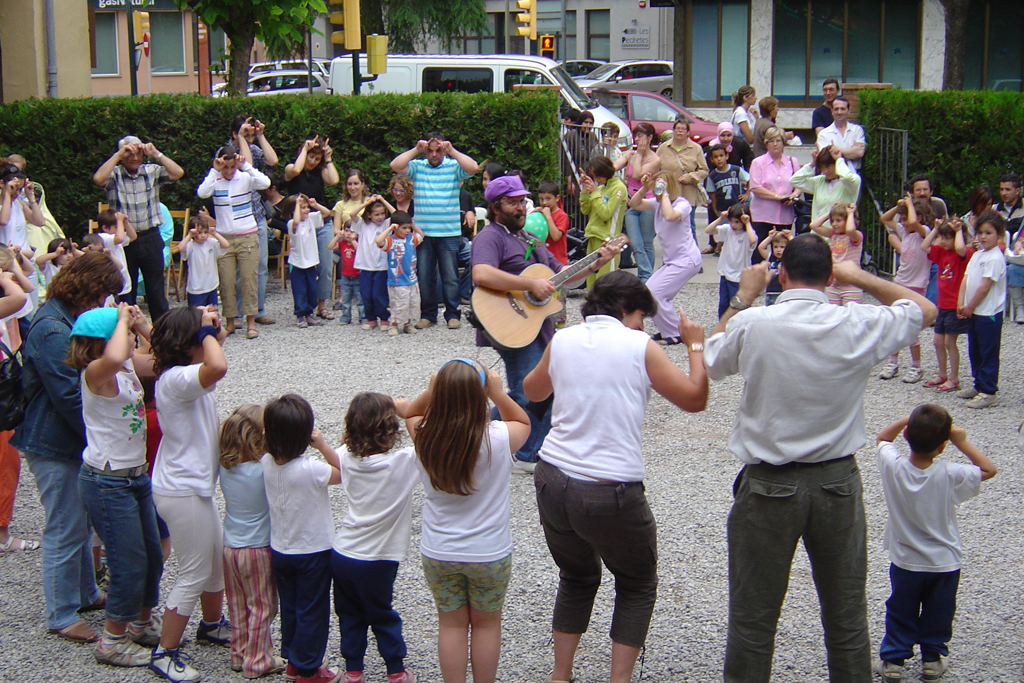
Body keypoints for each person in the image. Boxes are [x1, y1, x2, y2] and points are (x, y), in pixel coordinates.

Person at [703, 234, 937, 683]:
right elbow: (924, 310)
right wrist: (858, 275)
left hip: (768, 484)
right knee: (846, 616)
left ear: (782, 275)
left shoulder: (756, 322)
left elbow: (712, 361)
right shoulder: (856, 322)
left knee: (753, 618)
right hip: (837, 482)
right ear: (830, 277)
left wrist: (743, 296)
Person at [522, 270, 708, 683]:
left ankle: (560, 674)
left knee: (576, 576)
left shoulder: (564, 339)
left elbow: (532, 391)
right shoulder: (638, 345)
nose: (643, 324)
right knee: (637, 581)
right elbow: (695, 399)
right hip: (609, 486)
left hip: (552, 476)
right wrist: (695, 344)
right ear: (627, 309)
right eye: (642, 315)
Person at [470, 175, 620, 470]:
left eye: (521, 201)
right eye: (512, 202)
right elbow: (481, 274)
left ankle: (472, 429)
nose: (521, 208)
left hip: (537, 327)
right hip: (511, 325)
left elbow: (561, 274)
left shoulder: (528, 238)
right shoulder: (490, 236)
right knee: (529, 392)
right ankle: (524, 452)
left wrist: (596, 262)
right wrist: (529, 283)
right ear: (495, 206)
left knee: (543, 388)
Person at [11, 252, 124, 643]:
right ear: (87, 286)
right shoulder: (52, 330)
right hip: (52, 443)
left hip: (64, 440)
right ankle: (60, 615)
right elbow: (71, 400)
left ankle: (86, 594)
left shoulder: (60, 318)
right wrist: (110, 434)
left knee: (79, 524)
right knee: (64, 528)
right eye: (102, 295)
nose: (103, 304)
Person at [400, 359, 530, 683]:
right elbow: (523, 421)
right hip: (489, 553)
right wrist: (498, 392)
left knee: (451, 624)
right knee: (486, 625)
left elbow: (411, 413)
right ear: (481, 396)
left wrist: (431, 388)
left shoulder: (424, 435)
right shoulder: (498, 438)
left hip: (439, 550)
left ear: (437, 395)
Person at [69, 304, 162, 668]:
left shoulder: (122, 366)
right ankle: (112, 641)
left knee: (151, 554)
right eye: (120, 333)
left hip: (135, 475)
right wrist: (122, 321)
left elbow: (165, 357)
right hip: (106, 480)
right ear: (104, 341)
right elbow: (118, 352)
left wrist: (141, 325)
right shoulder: (95, 372)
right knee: (128, 562)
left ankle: (139, 624)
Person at [873, 406, 996, 683]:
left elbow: (882, 439)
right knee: (939, 610)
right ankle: (932, 658)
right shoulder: (951, 473)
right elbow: (989, 469)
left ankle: (893, 661)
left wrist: (908, 417)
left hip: (905, 559)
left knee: (901, 608)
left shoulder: (893, 466)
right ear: (942, 447)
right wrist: (960, 440)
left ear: (906, 435)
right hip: (944, 561)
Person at [149, 305, 231, 683]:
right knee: (194, 570)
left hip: (189, 486)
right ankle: (165, 653)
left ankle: (212, 625)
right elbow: (217, 365)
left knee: (213, 558)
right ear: (190, 343)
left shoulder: (178, 375)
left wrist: (208, 328)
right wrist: (203, 330)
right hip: (182, 489)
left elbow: (215, 354)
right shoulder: (178, 379)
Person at [332, 393, 420, 683]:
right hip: (379, 558)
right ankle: (395, 669)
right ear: (390, 430)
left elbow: (341, 449)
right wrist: (408, 412)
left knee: (350, 614)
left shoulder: (345, 456)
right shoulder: (402, 463)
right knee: (382, 613)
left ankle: (353, 669)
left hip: (343, 553)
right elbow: (427, 439)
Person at [261, 394, 341, 683]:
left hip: (281, 548)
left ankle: (294, 659)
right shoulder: (311, 468)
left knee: (291, 607)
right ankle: (308, 669)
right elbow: (341, 473)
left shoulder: (266, 463)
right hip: (313, 551)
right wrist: (323, 446)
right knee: (313, 611)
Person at [218, 405, 285, 679]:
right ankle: (258, 661)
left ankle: (239, 652)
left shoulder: (226, 468)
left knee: (237, 603)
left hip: (230, 547)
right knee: (262, 606)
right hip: (258, 548)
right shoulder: (263, 470)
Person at [390, 132, 479, 330]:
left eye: (438, 150)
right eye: (430, 151)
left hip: (448, 232)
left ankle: (452, 314)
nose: (434, 154)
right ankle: (428, 315)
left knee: (450, 277)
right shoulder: (417, 167)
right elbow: (395, 166)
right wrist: (416, 150)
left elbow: (473, 168)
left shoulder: (453, 166)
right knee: (425, 276)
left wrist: (452, 151)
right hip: (424, 233)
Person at [93, 135, 183, 323]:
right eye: (129, 154)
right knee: (127, 290)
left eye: (138, 153)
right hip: (124, 240)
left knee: (156, 292)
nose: (134, 158)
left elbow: (178, 173)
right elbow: (98, 179)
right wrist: (118, 155)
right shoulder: (115, 174)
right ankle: (128, 337)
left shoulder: (151, 171)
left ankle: (161, 334)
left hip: (150, 237)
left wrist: (156, 153)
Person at [197, 143, 271, 339]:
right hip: (224, 238)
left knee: (249, 280)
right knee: (227, 282)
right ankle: (230, 322)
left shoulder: (245, 177)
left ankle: (251, 322)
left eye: (232, 167)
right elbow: (202, 193)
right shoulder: (216, 180)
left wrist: (245, 165)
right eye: (225, 167)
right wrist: (214, 170)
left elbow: (265, 183)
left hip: (247, 235)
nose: (229, 171)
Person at [628, 172, 701, 344]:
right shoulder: (658, 203)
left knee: (656, 294)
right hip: (673, 261)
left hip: (687, 260)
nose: (657, 190)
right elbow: (634, 203)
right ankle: (667, 329)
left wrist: (665, 194)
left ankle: (675, 333)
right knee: (647, 292)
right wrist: (645, 187)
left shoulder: (682, 204)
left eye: (660, 185)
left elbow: (671, 216)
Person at [229, 114, 280, 326]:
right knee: (240, 268)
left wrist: (260, 136)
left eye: (250, 132)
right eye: (245, 132)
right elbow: (245, 165)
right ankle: (239, 314)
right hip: (235, 219)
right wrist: (242, 139)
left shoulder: (254, 148)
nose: (248, 136)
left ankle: (257, 310)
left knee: (260, 265)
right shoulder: (226, 153)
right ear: (235, 133)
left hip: (256, 216)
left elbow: (272, 160)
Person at [285, 136, 340, 319]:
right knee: (302, 266)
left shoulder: (319, 172)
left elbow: (334, 180)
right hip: (300, 223)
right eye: (311, 157)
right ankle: (303, 308)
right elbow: (296, 169)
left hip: (320, 220)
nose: (313, 161)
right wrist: (304, 149)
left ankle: (321, 306)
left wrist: (328, 158)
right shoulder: (290, 168)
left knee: (325, 266)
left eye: (317, 159)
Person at [880, 196, 934, 382]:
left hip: (917, 286)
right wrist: (898, 207)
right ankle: (893, 361)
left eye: (906, 218)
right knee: (896, 324)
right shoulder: (904, 232)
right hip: (901, 282)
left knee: (912, 328)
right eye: (902, 219)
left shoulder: (925, 232)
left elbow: (913, 221)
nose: (904, 222)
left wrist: (910, 204)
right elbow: (885, 219)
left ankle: (916, 365)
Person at [956, 210, 1006, 409]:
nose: (983, 237)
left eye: (989, 233)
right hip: (974, 312)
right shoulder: (977, 255)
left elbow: (985, 287)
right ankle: (978, 384)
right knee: (974, 350)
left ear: (999, 235)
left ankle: (989, 391)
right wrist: (961, 304)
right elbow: (966, 279)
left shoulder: (995, 257)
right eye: (981, 233)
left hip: (988, 313)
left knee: (988, 351)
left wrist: (970, 306)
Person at [922, 218, 971, 391]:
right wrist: (935, 230)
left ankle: (955, 378)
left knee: (950, 342)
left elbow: (960, 248)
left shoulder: (963, 254)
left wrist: (958, 231)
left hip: (954, 305)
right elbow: (925, 246)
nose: (943, 241)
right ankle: (942, 374)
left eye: (947, 237)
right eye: (942, 237)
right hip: (942, 305)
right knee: (937, 341)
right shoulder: (942, 252)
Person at [615, 123, 661, 280]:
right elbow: (613, 166)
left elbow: (637, 175)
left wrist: (640, 155)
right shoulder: (630, 155)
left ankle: (645, 277)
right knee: (635, 242)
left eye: (641, 135)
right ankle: (647, 276)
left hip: (648, 203)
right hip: (631, 203)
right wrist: (608, 148)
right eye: (636, 135)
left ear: (649, 138)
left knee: (646, 242)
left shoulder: (655, 159)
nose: (637, 138)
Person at [748, 127, 801, 263]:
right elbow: (755, 187)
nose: (775, 144)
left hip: (784, 215)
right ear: (766, 144)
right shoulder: (758, 162)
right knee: (760, 253)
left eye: (778, 140)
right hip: (763, 216)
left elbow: (800, 184)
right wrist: (777, 197)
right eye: (771, 141)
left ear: (784, 143)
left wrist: (793, 195)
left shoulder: (792, 162)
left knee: (783, 253)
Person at [283, 193, 332, 329]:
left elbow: (327, 213)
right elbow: (297, 222)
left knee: (312, 289)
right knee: (299, 290)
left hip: (311, 261)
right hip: (297, 262)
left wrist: (314, 204)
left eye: (306, 207)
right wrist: (298, 205)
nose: (306, 210)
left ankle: (309, 313)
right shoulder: (292, 223)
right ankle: (300, 314)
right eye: (301, 208)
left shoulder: (311, 219)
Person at [580, 156, 628, 288]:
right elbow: (585, 209)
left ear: (605, 172)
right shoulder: (600, 189)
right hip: (593, 237)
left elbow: (606, 214)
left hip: (609, 242)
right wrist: (585, 189)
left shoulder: (619, 188)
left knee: (606, 285)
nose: (595, 180)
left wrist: (594, 193)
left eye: (597, 176)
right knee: (591, 284)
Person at [349, 195, 395, 331]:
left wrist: (384, 201)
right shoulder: (362, 225)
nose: (380, 217)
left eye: (382, 214)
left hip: (382, 266)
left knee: (379, 294)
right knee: (366, 294)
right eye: (376, 215)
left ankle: (384, 318)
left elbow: (397, 215)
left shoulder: (387, 224)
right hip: (365, 266)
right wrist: (367, 203)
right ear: (369, 215)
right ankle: (371, 319)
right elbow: (352, 213)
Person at [656, 117, 709, 232]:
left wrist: (690, 177)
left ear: (687, 132)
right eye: (677, 128)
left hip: (687, 194)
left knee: (689, 227)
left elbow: (704, 170)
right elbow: (656, 169)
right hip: (668, 194)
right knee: (668, 226)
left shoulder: (696, 148)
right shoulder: (663, 148)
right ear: (673, 130)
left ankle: (691, 250)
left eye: (683, 129)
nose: (680, 131)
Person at [375, 210, 424, 336]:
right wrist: (389, 228)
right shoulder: (390, 241)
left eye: (408, 228)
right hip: (398, 281)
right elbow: (378, 241)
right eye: (404, 228)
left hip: (412, 278)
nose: (407, 231)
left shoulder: (411, 238)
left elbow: (421, 235)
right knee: (398, 304)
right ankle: (394, 325)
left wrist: (414, 226)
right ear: (396, 227)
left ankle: (407, 324)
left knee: (412, 302)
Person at [706, 205, 757, 318]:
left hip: (739, 276)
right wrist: (721, 219)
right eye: (731, 221)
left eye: (737, 222)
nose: (733, 225)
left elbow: (753, 240)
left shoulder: (747, 234)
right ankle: (722, 325)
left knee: (737, 304)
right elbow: (708, 230)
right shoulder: (728, 230)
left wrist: (747, 223)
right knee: (723, 303)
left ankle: (737, 324)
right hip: (725, 272)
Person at [809, 202, 863, 306]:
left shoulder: (855, 236)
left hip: (851, 285)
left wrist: (850, 213)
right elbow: (814, 225)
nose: (834, 224)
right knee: (833, 315)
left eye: (838, 220)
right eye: (832, 221)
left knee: (850, 317)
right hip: (834, 285)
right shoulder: (833, 235)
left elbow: (850, 229)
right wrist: (830, 212)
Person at [790, 145, 862, 221]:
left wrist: (839, 159)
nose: (825, 171)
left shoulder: (852, 181)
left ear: (836, 164)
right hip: (816, 231)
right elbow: (794, 180)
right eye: (822, 167)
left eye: (828, 166)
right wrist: (812, 164)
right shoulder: (819, 181)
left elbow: (847, 177)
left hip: (838, 232)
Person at [178, 215, 229, 308]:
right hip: (196, 289)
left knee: (213, 313)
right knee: (196, 316)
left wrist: (215, 233)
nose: (203, 235)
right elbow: (180, 248)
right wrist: (189, 235)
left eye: (205, 232)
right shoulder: (190, 245)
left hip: (211, 286)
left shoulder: (211, 243)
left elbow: (226, 245)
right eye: (199, 232)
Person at [706, 143, 750, 252]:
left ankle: (738, 250)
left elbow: (750, 180)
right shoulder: (712, 176)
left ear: (726, 156)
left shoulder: (736, 170)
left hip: (737, 207)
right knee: (725, 231)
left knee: (738, 230)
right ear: (711, 160)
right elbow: (713, 195)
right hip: (723, 208)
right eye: (716, 157)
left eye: (721, 156)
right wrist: (716, 211)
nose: (719, 159)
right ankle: (723, 249)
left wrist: (747, 194)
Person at [94, 210, 135, 302]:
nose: (121, 229)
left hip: (123, 282)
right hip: (111, 283)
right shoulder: (103, 237)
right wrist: (119, 220)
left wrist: (126, 223)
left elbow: (133, 237)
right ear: (105, 228)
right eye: (116, 227)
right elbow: (120, 238)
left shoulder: (114, 237)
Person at [815, 97, 866, 171]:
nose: (839, 112)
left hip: (855, 175)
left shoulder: (857, 130)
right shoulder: (823, 134)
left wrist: (836, 150)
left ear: (849, 111)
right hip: (834, 176)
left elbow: (859, 153)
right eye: (836, 109)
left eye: (843, 109)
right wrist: (852, 150)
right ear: (832, 111)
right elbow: (826, 158)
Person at [329, 222, 365, 324]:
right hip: (345, 276)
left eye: (352, 231)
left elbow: (360, 250)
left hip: (357, 275)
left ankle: (363, 317)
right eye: (346, 231)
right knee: (345, 299)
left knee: (360, 300)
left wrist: (353, 239)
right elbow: (330, 246)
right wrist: (337, 237)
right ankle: (346, 317)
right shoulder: (342, 243)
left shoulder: (358, 242)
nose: (349, 234)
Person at [535, 180, 570, 266]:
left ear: (557, 198)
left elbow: (556, 236)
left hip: (558, 261)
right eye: (541, 199)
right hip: (543, 260)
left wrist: (548, 217)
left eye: (548, 198)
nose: (544, 202)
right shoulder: (541, 214)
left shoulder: (562, 216)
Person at [755, 229, 790, 306]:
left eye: (782, 247)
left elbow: (797, 248)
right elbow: (761, 247)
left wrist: (790, 237)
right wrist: (770, 237)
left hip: (783, 291)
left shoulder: (789, 258)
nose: (778, 250)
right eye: (775, 247)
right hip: (771, 291)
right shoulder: (770, 257)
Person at [996, 172, 1024, 238]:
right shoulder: (994, 209)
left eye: (1007, 190)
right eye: (1001, 189)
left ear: (1017, 191)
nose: (1003, 193)